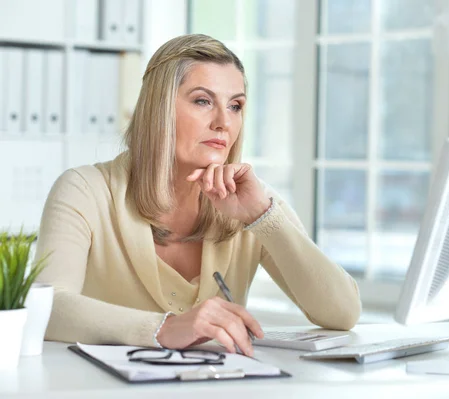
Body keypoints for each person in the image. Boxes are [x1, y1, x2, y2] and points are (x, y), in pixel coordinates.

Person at [35, 34, 361, 356]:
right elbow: (48, 307)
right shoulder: (85, 190)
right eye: (203, 101)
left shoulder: (254, 202)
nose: (224, 122)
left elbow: (342, 314)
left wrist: (263, 218)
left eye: (235, 106)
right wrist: (162, 329)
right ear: (158, 108)